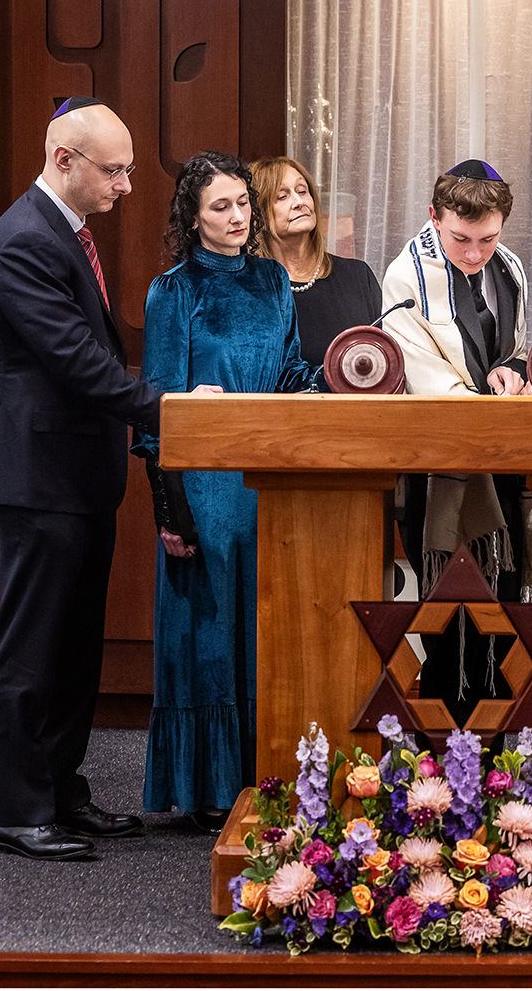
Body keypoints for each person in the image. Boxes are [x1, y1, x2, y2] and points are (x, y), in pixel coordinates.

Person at [0, 97, 219, 862]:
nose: (128, 186)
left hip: (74, 477)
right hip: (35, 479)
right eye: (115, 170)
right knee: (30, 650)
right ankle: (17, 813)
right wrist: (173, 407)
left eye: (131, 169)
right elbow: (79, 366)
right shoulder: (20, 242)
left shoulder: (65, 232)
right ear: (63, 160)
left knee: (73, 648)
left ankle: (63, 794)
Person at [133, 152, 313, 832]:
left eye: (243, 202)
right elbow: (158, 413)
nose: (237, 217)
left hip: (267, 480)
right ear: (193, 215)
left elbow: (291, 370)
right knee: (207, 632)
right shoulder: (173, 291)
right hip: (201, 493)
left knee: (260, 629)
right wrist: (167, 508)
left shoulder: (271, 279)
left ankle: (258, 778)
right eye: (220, 207)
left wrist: (347, 372)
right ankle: (205, 788)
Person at [381, 159, 532, 725]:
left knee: (505, 598)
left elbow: (515, 348)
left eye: (488, 239)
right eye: (461, 239)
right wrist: (481, 412)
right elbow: (422, 374)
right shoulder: (405, 277)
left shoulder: (509, 267)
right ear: (433, 218)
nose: (474, 254)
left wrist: (512, 371)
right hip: (438, 462)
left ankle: (499, 740)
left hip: (504, 460)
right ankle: (443, 741)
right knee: (444, 604)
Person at [248, 156, 381, 370]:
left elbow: (384, 363)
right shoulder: (249, 288)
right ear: (259, 214)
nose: (299, 202)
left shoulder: (357, 276)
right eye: (282, 196)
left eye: (302, 191)